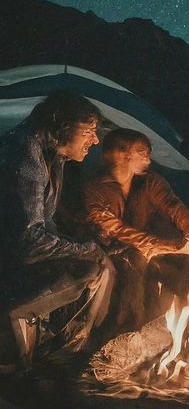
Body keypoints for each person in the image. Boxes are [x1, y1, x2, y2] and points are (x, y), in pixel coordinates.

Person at [0, 91, 115, 359]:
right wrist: (85, 249)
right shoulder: (26, 154)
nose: (95, 140)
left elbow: (45, 222)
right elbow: (28, 241)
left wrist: (83, 238)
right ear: (62, 125)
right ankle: (23, 340)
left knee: (98, 261)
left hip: (16, 254)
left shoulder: (52, 154)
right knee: (94, 269)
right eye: (88, 131)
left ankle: (52, 346)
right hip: (8, 261)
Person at [83, 128, 189, 334]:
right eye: (143, 154)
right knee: (133, 267)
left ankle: (178, 325)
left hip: (145, 247)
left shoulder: (150, 181)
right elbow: (114, 228)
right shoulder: (95, 188)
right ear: (125, 156)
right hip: (107, 251)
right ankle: (125, 332)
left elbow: (173, 206)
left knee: (184, 263)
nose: (148, 160)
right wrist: (159, 244)